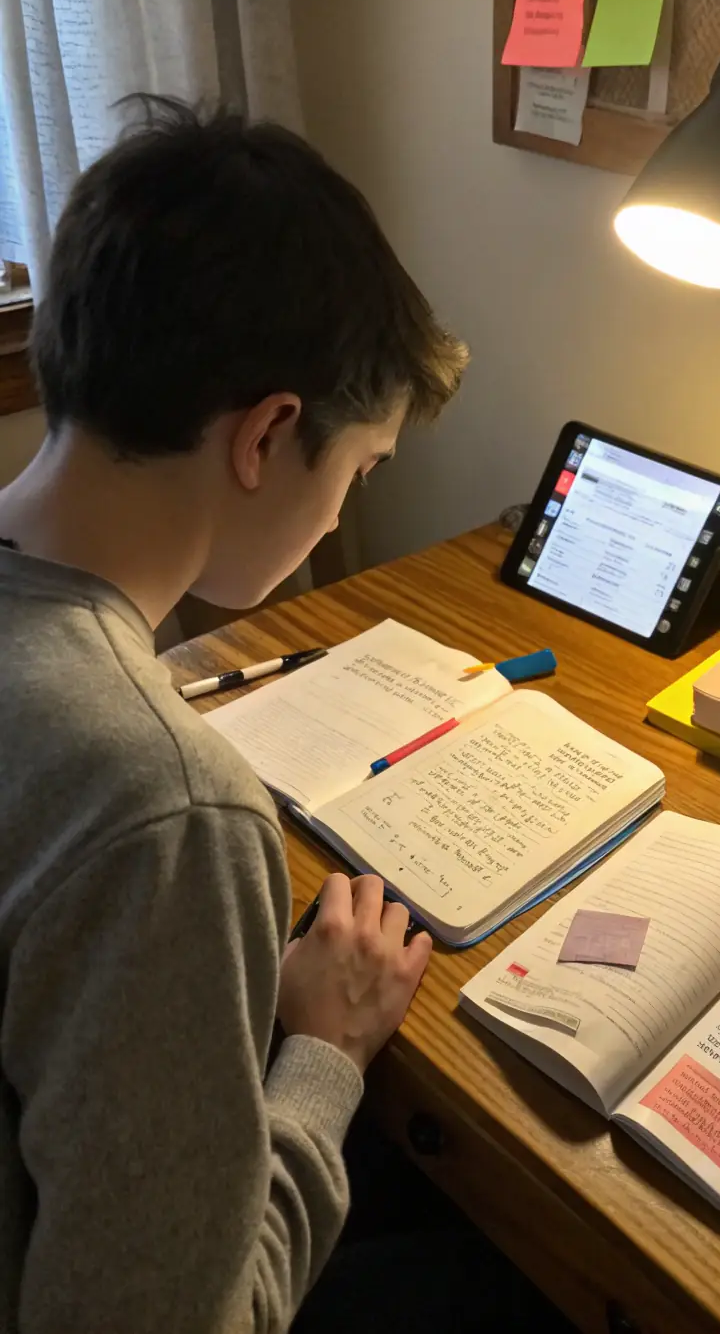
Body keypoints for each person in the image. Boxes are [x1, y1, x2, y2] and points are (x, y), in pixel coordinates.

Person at [0, 95, 496, 1333]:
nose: (339, 519)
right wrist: (325, 1053)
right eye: (360, 471)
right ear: (271, 434)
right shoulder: (163, 804)